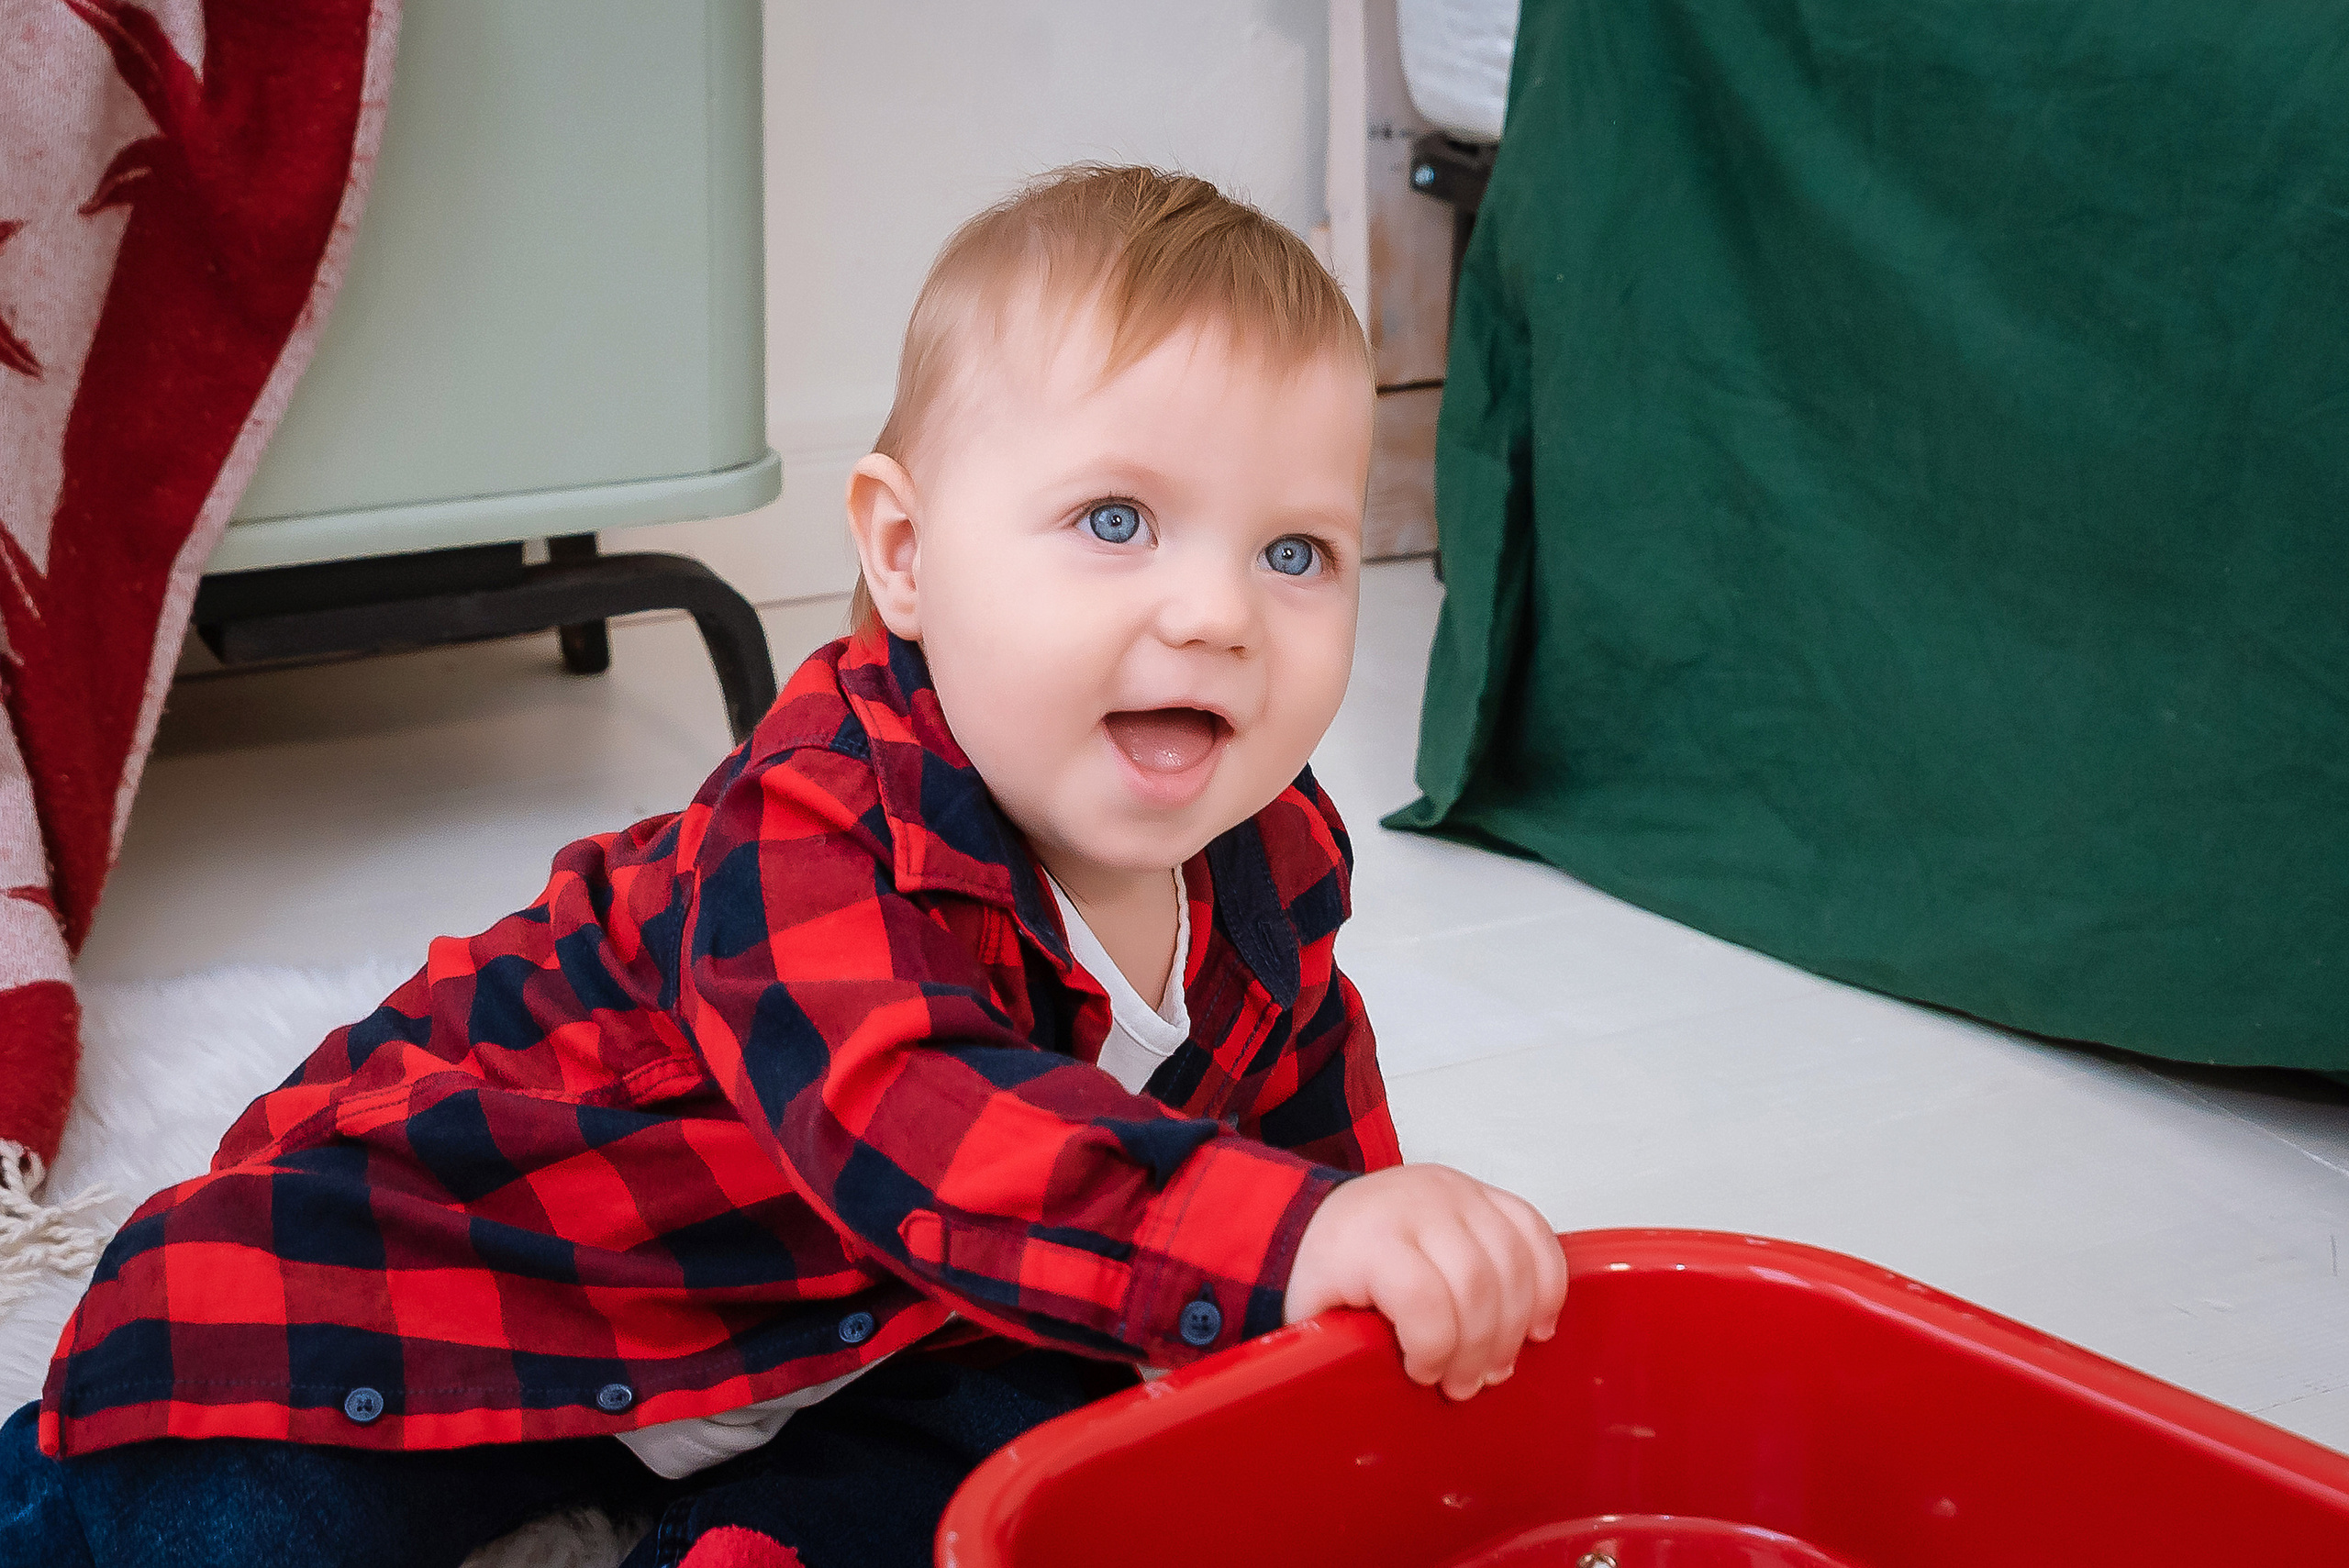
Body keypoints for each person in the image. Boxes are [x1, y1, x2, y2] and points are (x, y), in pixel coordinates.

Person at [0, 164, 1566, 1568]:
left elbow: (1300, 1134)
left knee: (1071, 1431)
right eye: (1116, 519)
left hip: (842, 1325)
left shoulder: (1270, 863)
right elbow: (918, 1118)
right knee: (225, 1522)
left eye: (1295, 551)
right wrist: (1283, 1236)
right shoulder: (813, 826)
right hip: (472, 1279)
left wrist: (1365, 1277)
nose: (1221, 612)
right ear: (903, 555)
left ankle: (753, 1537)